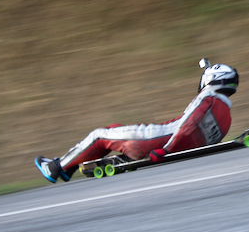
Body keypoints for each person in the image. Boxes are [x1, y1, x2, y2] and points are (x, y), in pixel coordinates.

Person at [34, 59, 238, 183]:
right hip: (167, 141)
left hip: (157, 140)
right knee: (114, 129)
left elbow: (188, 124)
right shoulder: (226, 116)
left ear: (211, 79)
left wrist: (166, 150)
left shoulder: (207, 97)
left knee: (99, 135)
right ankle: (70, 166)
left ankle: (55, 167)